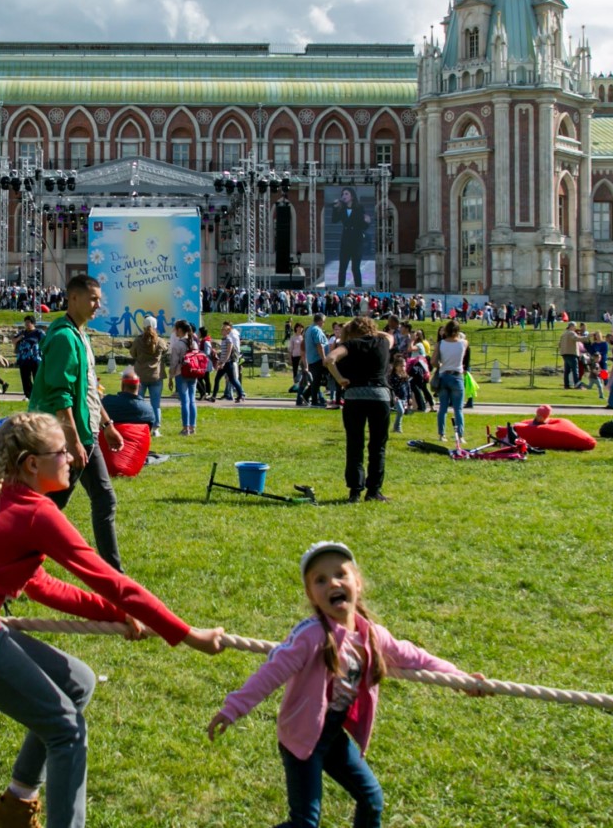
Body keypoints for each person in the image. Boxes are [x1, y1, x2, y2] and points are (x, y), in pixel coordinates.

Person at [0, 413, 225, 828]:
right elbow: (110, 579)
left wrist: (120, 614)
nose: (74, 458)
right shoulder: (34, 512)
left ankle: (16, 805)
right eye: (63, 451)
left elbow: (41, 586)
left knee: (78, 682)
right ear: (31, 464)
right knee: (66, 731)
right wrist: (186, 635)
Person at [207, 541, 486, 828]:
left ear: (358, 583)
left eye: (341, 574)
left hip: (331, 734)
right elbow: (271, 673)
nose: (333, 583)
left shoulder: (373, 635)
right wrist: (233, 708)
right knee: (304, 823)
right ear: (311, 596)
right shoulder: (310, 636)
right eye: (320, 580)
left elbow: (416, 658)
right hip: (302, 737)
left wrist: (459, 678)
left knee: (371, 799)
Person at [26, 275, 126, 570]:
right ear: (73, 299)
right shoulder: (63, 339)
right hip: (63, 436)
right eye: (93, 299)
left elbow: (89, 389)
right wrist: (71, 440)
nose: (98, 305)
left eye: (99, 299)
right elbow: (61, 395)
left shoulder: (80, 335)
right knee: (50, 508)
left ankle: (114, 574)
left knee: (103, 499)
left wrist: (107, 426)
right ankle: (8, 568)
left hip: (86, 433)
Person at [324, 316, 395, 503]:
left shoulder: (350, 345)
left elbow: (329, 359)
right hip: (380, 395)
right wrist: (370, 331)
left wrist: (340, 379)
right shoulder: (383, 342)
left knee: (354, 444)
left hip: (354, 396)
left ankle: (355, 491)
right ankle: (374, 491)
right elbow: (388, 335)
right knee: (377, 445)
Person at [432, 320, 467, 444]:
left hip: (444, 375)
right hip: (457, 376)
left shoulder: (441, 344)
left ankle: (442, 434)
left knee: (443, 408)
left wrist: (441, 364)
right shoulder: (464, 343)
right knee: (458, 409)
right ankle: (460, 436)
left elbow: (433, 362)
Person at [130, 316, 167, 423]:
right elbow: (165, 350)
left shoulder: (138, 340)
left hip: (140, 374)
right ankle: (156, 427)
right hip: (156, 375)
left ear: (143, 326)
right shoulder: (160, 341)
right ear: (155, 326)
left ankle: (138, 423)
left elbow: (133, 354)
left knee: (138, 402)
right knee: (156, 404)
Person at [168, 320, 201, 437]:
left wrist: (170, 377)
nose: (175, 331)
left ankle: (185, 427)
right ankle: (193, 427)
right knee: (192, 400)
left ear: (180, 330)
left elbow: (173, 363)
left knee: (184, 402)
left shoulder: (178, 345)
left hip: (181, 374)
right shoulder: (194, 343)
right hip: (193, 373)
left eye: (176, 329)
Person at [301, 314, 331, 407]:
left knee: (317, 380)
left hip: (312, 358)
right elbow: (319, 345)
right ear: (320, 320)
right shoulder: (316, 330)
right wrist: (323, 358)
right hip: (317, 358)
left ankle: (306, 395)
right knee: (317, 380)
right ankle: (314, 401)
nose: (324, 323)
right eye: (324, 321)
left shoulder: (310, 329)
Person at [13, 316, 44, 397]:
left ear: (33, 323)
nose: (26, 324)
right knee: (25, 379)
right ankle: (29, 395)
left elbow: (45, 341)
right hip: (23, 359)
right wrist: (19, 338)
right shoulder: (22, 332)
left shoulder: (38, 332)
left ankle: (38, 395)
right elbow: (13, 340)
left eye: (28, 323)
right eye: (25, 323)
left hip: (35, 359)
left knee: (37, 378)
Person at [557, 322, 582, 389]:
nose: (575, 328)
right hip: (572, 353)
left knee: (567, 370)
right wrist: (587, 337)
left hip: (564, 353)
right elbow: (577, 338)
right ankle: (577, 385)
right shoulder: (571, 333)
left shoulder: (563, 334)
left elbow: (559, 344)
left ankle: (566, 385)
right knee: (575, 370)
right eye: (575, 326)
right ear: (571, 326)